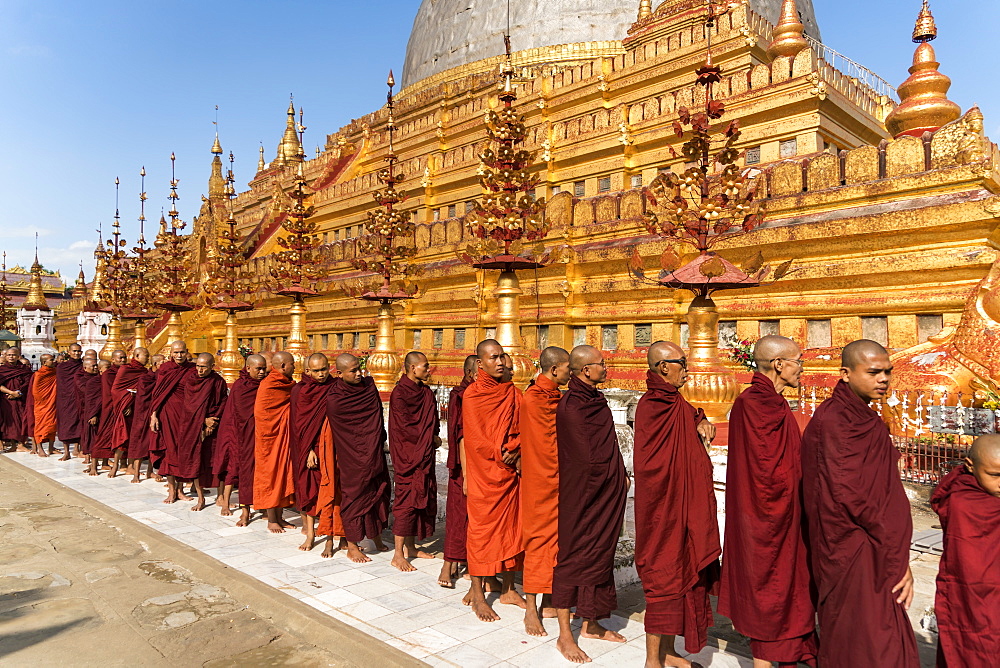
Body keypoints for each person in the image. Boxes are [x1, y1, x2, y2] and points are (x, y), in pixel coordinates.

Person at [801, 339, 918, 667]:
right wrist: (894, 554)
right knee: (865, 639)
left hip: (873, 545)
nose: (884, 379)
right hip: (854, 546)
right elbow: (851, 496)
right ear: (846, 373)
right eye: (874, 372)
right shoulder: (836, 421)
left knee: (878, 633)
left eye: (888, 372)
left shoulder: (860, 416)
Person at [718, 336, 817, 668]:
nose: (802, 368)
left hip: (787, 515)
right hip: (763, 517)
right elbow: (763, 472)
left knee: (791, 589)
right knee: (768, 591)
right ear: (779, 364)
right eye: (798, 361)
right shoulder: (752, 404)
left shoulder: (775, 403)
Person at [634, 341, 720, 668]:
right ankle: (651, 660)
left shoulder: (675, 401)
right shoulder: (650, 405)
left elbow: (690, 416)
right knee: (662, 577)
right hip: (661, 511)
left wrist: (702, 419)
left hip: (682, 508)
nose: (687, 368)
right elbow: (650, 466)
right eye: (681, 362)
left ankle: (669, 653)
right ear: (662, 367)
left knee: (683, 573)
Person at [551, 345, 628, 662]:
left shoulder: (596, 400)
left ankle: (592, 623)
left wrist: (619, 475)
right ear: (585, 370)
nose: (606, 367)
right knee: (573, 558)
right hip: (583, 496)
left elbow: (608, 445)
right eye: (601, 364)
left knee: (601, 554)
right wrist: (609, 477)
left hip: (606, 493)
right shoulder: (571, 407)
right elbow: (586, 460)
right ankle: (564, 635)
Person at [461, 339, 526, 622]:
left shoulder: (513, 393)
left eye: (502, 357)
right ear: (480, 363)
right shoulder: (472, 396)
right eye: (493, 357)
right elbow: (474, 439)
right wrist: (502, 453)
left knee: (514, 528)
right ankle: (478, 593)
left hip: (510, 474)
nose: (500, 362)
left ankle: (509, 589)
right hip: (485, 475)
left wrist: (517, 448)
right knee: (480, 532)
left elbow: (528, 427)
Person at [932, 435, 1000, 667]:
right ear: (970, 467)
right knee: (974, 646)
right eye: (995, 476)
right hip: (973, 594)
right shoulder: (964, 500)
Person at [520, 346, 570, 636]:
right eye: (566, 369)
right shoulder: (534, 399)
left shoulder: (558, 398)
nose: (569, 373)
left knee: (559, 541)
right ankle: (530, 608)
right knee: (538, 540)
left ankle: (551, 599)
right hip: (539, 481)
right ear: (554, 370)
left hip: (561, 479)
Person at [327, 353, 391, 562]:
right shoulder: (336, 398)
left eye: (360, 369)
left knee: (377, 492)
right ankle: (352, 545)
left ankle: (377, 537)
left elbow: (376, 415)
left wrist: (377, 440)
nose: (359, 374)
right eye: (353, 371)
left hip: (373, 450)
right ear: (339, 373)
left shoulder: (368, 387)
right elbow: (343, 430)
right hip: (351, 456)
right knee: (354, 496)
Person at [387, 351, 439, 571]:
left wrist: (431, 437)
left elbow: (431, 421)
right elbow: (403, 431)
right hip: (408, 458)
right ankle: (398, 554)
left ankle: (411, 546)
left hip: (424, 456)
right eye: (425, 366)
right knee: (405, 503)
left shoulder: (426, 393)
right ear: (412, 368)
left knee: (420, 499)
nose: (428, 370)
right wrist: (430, 439)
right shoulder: (399, 394)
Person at [290, 353, 343, 553]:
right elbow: (298, 424)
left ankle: (330, 534)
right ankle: (310, 533)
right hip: (307, 448)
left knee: (330, 490)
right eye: (317, 371)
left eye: (324, 369)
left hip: (331, 446)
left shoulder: (335, 387)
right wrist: (309, 449)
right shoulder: (300, 391)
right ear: (307, 371)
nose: (321, 374)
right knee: (307, 490)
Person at [212, 354, 267, 524]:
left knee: (257, 471)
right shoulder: (240, 386)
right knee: (235, 468)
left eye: (264, 368)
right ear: (248, 368)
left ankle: (262, 506)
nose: (262, 372)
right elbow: (239, 412)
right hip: (237, 433)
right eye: (258, 368)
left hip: (257, 434)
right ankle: (230, 504)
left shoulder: (265, 385)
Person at [438, 354, 477, 587]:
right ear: (471, 374)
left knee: (475, 518)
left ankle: (471, 565)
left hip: (481, 464)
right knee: (457, 515)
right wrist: (467, 474)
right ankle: (448, 563)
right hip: (464, 466)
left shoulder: (481, 394)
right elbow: (461, 435)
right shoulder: (462, 396)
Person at [148, 341, 197, 503]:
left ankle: (181, 490)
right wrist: (154, 416)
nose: (179, 356)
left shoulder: (192, 369)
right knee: (169, 451)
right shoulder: (166, 369)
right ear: (171, 353)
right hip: (168, 415)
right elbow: (158, 394)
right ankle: (171, 490)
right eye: (176, 353)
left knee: (183, 451)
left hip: (186, 416)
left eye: (182, 352)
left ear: (187, 352)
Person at [254, 351, 297, 533]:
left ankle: (280, 516)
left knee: (283, 474)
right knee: (270, 475)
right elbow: (263, 413)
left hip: (283, 435)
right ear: (283, 367)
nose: (295, 367)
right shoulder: (269, 384)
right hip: (269, 439)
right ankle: (271, 518)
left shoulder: (286, 383)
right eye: (292, 364)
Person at [106, 348, 150, 478]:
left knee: (135, 438)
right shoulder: (125, 370)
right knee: (121, 436)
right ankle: (115, 466)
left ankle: (131, 467)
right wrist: (127, 402)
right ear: (136, 356)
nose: (147, 358)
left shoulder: (144, 372)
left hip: (138, 409)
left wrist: (134, 397)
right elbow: (116, 390)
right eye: (145, 356)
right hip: (125, 410)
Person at [88, 350, 126, 476]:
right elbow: (107, 394)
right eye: (120, 358)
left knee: (119, 438)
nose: (123, 360)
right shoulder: (108, 374)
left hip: (122, 409)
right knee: (102, 437)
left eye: (124, 358)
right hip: (109, 409)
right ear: (113, 360)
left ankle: (115, 465)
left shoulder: (127, 372)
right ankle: (94, 466)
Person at [127, 354, 164, 483]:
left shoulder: (162, 378)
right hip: (142, 415)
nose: (164, 365)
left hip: (157, 414)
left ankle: (150, 471)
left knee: (152, 442)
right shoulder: (145, 379)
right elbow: (143, 397)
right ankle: (136, 474)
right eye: (162, 362)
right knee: (140, 443)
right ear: (155, 365)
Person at [0, 346, 33, 452]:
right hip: (7, 400)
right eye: (9, 355)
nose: (11, 357)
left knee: (22, 421)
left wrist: (18, 393)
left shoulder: (24, 369)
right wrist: (11, 392)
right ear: (5, 356)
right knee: (10, 422)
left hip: (21, 398)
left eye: (13, 355)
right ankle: (14, 445)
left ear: (18, 356)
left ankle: (21, 444)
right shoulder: (2, 370)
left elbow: (28, 383)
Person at [56, 343, 85, 460]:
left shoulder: (83, 366)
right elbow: (61, 384)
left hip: (79, 398)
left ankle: (77, 448)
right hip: (65, 399)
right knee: (65, 424)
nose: (76, 353)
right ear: (69, 352)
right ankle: (66, 451)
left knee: (79, 423)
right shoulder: (62, 367)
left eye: (78, 351)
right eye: (74, 351)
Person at [25, 354, 58, 457]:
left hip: (52, 402)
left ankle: (51, 448)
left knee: (53, 424)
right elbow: (36, 391)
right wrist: (45, 400)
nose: (53, 361)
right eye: (51, 360)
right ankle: (40, 449)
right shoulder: (39, 374)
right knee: (40, 425)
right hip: (42, 404)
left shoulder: (55, 372)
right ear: (44, 363)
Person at [77, 357, 102, 462]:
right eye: (93, 366)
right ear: (85, 368)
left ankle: (98, 456)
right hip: (87, 409)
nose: (96, 368)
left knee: (97, 433)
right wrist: (92, 413)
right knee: (88, 433)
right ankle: (88, 456)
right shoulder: (81, 378)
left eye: (96, 365)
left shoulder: (99, 379)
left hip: (98, 408)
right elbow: (88, 395)